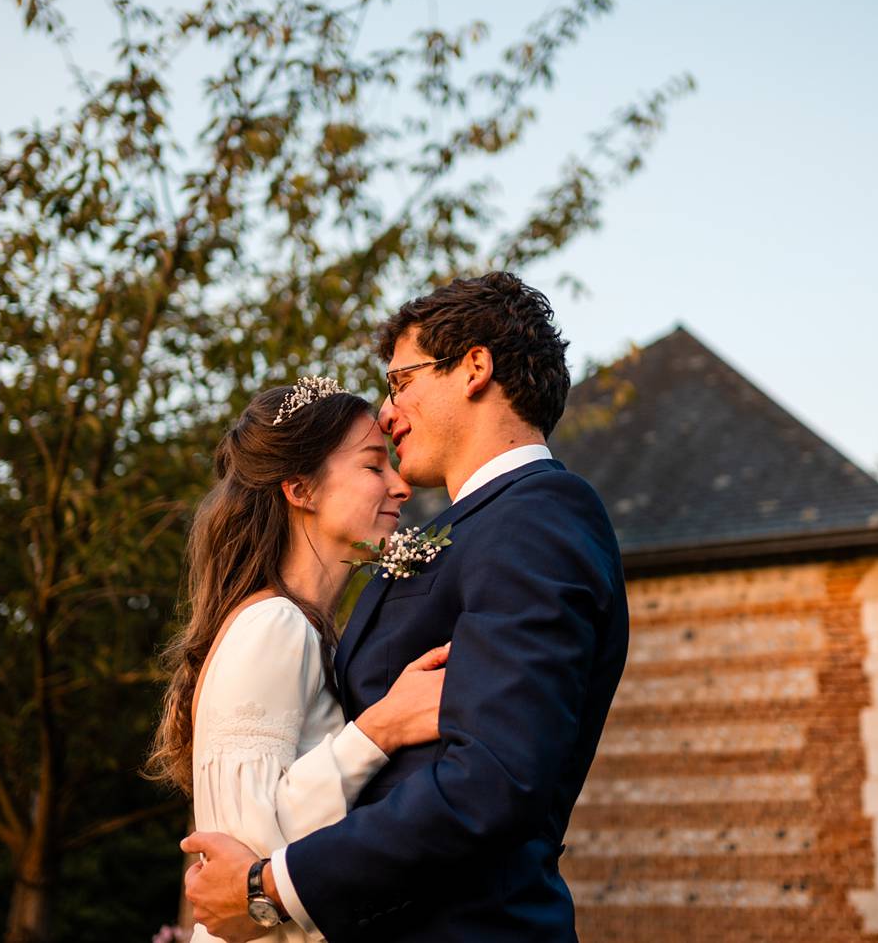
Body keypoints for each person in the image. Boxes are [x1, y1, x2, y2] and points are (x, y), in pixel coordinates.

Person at [183, 272, 630, 942]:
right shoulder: (468, 532)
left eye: (400, 382)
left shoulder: (535, 520)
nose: (388, 414)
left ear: (474, 366)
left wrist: (271, 887)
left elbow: (492, 779)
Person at [148, 380, 453, 942]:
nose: (401, 485)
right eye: (372, 466)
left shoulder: (307, 631)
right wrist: (383, 727)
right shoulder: (274, 627)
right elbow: (252, 869)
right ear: (300, 489)